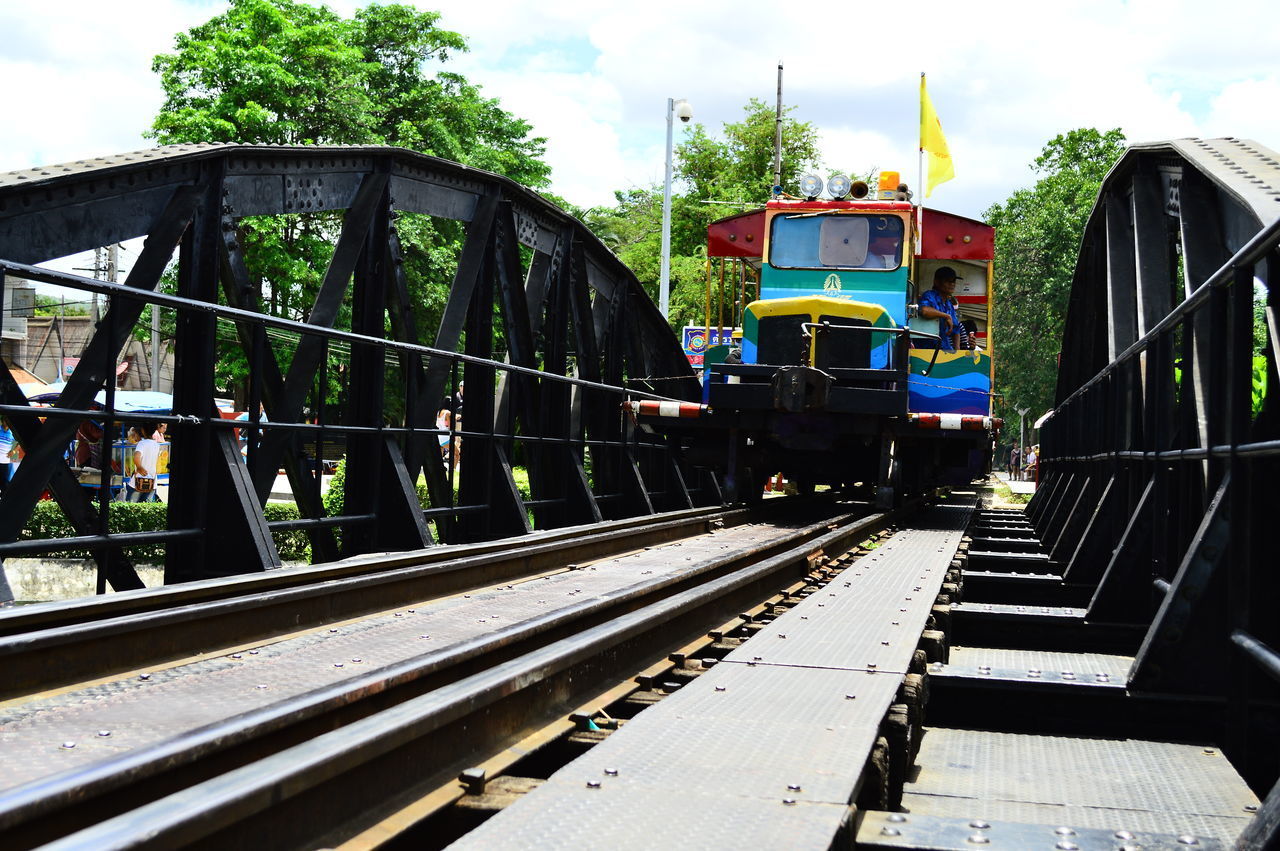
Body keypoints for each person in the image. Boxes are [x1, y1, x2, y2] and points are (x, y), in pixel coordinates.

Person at [918, 266, 973, 352]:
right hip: (926, 350)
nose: (952, 284)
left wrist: (957, 351)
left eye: (953, 281)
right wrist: (946, 316)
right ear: (936, 282)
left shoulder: (948, 304)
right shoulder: (929, 295)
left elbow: (956, 330)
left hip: (944, 349)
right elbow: (924, 310)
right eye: (948, 281)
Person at [128, 423, 161, 503]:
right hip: (152, 482)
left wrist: (139, 467)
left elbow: (136, 457)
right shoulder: (157, 445)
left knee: (131, 506)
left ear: (143, 430)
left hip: (137, 482)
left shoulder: (142, 443)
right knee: (146, 507)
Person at [0, 417, 12, 495]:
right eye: (5, 420)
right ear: (2, 421)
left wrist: (13, 451)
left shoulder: (12, 432)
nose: (7, 423)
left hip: (5, 461)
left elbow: (18, 442)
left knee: (4, 483)